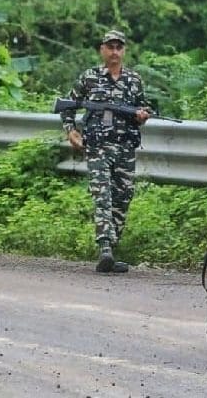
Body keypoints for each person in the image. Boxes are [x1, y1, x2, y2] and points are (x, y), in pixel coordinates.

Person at [60, 30, 150, 273]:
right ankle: (105, 248)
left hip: (125, 148)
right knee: (103, 195)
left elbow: (143, 106)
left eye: (119, 48)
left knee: (123, 196)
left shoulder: (134, 79)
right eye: (110, 47)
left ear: (124, 51)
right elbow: (67, 106)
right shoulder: (89, 77)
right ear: (102, 50)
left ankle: (112, 249)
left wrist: (142, 115)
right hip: (98, 147)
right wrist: (71, 131)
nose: (114, 52)